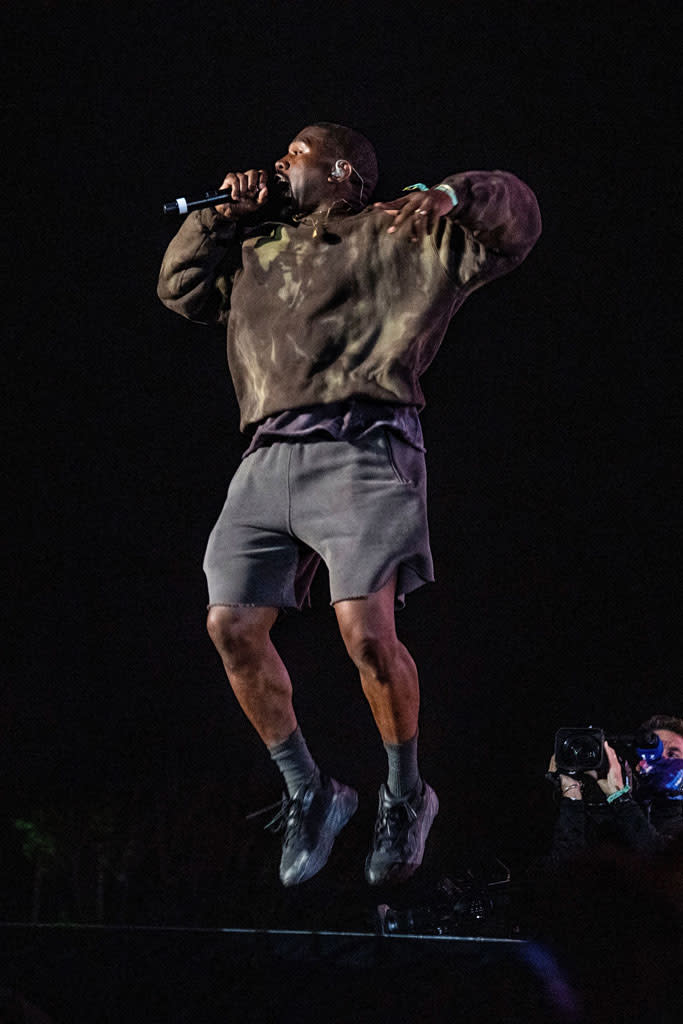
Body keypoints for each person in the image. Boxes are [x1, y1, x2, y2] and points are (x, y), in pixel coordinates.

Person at [157, 122, 542, 887]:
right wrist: (219, 216)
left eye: (293, 154)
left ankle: (404, 792)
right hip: (268, 453)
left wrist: (452, 192)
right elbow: (179, 291)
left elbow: (517, 216)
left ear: (338, 169)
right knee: (229, 625)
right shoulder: (261, 251)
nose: (276, 163)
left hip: (363, 444)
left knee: (366, 635)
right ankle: (310, 789)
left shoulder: (400, 233)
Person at [545, 715, 683, 865]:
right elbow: (568, 874)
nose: (658, 761)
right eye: (650, 754)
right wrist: (572, 794)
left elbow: (665, 865)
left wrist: (620, 798)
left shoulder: (624, 808)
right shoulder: (616, 816)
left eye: (672, 754)